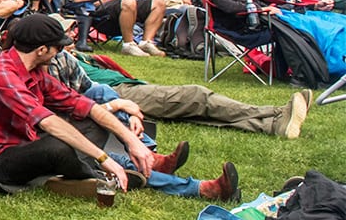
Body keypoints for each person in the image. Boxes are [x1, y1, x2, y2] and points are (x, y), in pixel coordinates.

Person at [0, 15, 167, 197]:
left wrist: (132, 141)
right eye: (58, 48)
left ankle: (75, 173)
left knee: (94, 122)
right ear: (41, 50)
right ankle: (95, 175)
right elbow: (48, 122)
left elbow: (84, 105)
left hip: (23, 143)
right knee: (56, 147)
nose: (61, 52)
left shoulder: (34, 71)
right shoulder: (1, 75)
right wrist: (103, 158)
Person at [40, 49, 244, 201]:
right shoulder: (24, 77)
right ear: (40, 49)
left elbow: (90, 92)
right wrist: (117, 105)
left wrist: (129, 111)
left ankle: (149, 154)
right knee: (117, 162)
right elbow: (56, 120)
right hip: (59, 137)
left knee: (102, 92)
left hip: (82, 123)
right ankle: (202, 189)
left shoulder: (63, 58)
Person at [50, 48, 310, 139]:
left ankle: (272, 125)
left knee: (193, 111)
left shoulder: (77, 57)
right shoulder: (56, 61)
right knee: (196, 97)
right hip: (122, 93)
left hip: (126, 90)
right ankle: (274, 113)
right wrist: (118, 105)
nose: (72, 33)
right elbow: (82, 94)